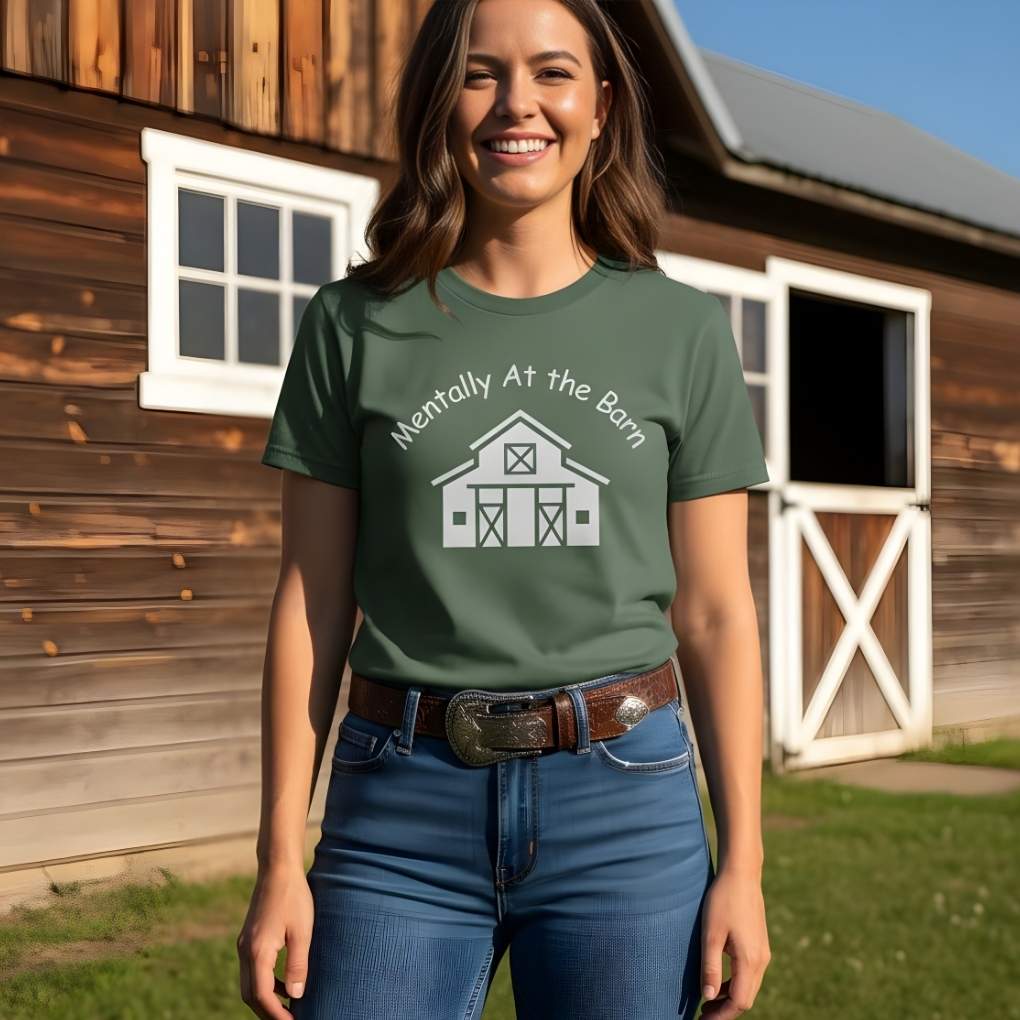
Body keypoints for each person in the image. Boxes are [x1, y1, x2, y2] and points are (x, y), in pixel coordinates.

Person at [237, 1, 772, 1017]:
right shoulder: (353, 325)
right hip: (397, 812)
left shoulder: (680, 330)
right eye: (480, 74)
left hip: (627, 807)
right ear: (438, 99)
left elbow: (714, 612)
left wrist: (742, 865)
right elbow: (311, 600)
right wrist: (277, 859)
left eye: (552, 73)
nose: (516, 104)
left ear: (603, 106)